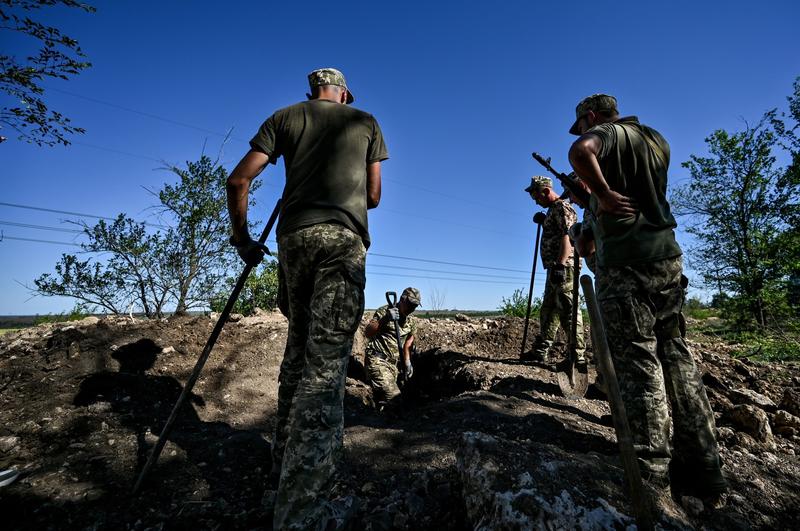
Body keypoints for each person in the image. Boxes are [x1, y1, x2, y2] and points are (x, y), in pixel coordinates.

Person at [226, 67, 388, 529]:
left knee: (297, 353)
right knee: (326, 365)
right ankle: (304, 510)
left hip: (292, 240)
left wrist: (243, 241)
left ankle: (280, 476)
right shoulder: (365, 122)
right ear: (343, 95)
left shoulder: (284, 117)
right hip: (342, 239)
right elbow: (373, 196)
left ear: (311, 93)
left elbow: (239, 181)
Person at [567, 94, 726, 502]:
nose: (584, 131)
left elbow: (581, 151)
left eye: (582, 123)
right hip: (666, 259)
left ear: (590, 116)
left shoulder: (603, 134)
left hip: (627, 267)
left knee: (639, 364)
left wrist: (600, 194)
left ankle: (651, 476)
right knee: (676, 355)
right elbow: (634, 194)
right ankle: (706, 467)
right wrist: (594, 209)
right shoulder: (656, 140)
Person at [523, 176, 586, 364]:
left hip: (564, 267)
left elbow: (568, 236)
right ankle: (540, 351)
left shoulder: (562, 207)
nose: (535, 200)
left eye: (536, 195)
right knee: (549, 310)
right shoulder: (553, 210)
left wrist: (560, 263)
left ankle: (577, 357)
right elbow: (555, 232)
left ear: (545, 191)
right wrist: (544, 221)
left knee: (569, 310)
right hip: (555, 267)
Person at [363, 287, 421, 410]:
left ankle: (381, 414)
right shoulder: (384, 311)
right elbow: (368, 332)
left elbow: (409, 341)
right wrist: (386, 318)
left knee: (387, 399)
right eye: (410, 305)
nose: (412, 309)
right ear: (402, 299)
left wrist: (407, 361)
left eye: (415, 306)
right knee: (395, 398)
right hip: (377, 361)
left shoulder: (410, 321)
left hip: (393, 366)